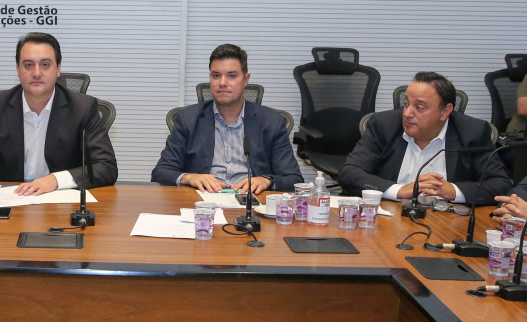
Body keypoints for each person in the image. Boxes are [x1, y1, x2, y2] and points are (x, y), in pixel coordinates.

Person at [0, 32, 117, 195]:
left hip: (61, 202)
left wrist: (55, 180)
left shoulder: (83, 108)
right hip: (12, 200)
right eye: (28, 65)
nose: (36, 73)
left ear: (58, 69)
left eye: (45, 64)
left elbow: (106, 167)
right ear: (18, 69)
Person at [339, 71, 511, 205]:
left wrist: (454, 191)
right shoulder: (384, 125)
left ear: (445, 111)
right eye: (406, 104)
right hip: (390, 219)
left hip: (448, 224)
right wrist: (399, 190)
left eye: (419, 107)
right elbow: (350, 173)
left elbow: (499, 184)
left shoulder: (472, 132)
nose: (407, 113)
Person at [151, 44, 302, 193]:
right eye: (216, 75)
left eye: (231, 76)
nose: (222, 83)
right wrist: (189, 177)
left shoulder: (272, 122)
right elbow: (161, 173)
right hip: (203, 204)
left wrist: (267, 180)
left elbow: (293, 179)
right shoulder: (188, 119)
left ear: (245, 80)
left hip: (250, 203)